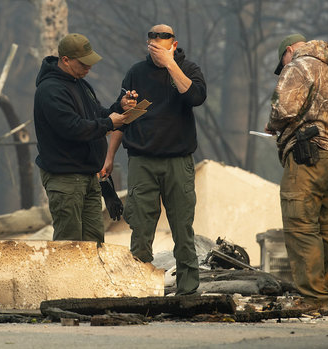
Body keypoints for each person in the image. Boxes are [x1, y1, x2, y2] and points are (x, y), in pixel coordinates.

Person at [103, 24, 207, 296]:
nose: (156, 51)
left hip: (177, 160)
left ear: (173, 44)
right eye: (152, 46)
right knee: (140, 225)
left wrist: (171, 65)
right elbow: (121, 117)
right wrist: (110, 155)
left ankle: (187, 288)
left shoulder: (188, 69)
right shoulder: (137, 72)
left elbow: (196, 97)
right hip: (142, 160)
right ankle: (140, 287)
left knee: (182, 226)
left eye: (162, 46)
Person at [265, 34, 328, 310]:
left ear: (289, 51)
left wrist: (273, 125)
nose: (282, 70)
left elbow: (281, 108)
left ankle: (314, 298)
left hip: (307, 155)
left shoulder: (298, 66)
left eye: (282, 63)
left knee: (301, 224)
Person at [33, 33, 129, 243]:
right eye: (83, 63)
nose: (89, 68)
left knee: (94, 242)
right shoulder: (50, 90)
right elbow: (72, 128)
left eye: (90, 62)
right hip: (65, 177)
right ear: (65, 60)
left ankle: (92, 277)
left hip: (89, 175)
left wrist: (119, 108)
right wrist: (109, 123)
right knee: (69, 244)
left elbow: (97, 114)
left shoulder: (80, 84)